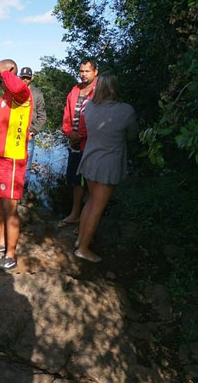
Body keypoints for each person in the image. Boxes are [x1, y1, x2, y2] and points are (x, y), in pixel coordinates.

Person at [74, 73, 138, 262]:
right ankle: (83, 249)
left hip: (89, 161)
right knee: (97, 207)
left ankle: (80, 240)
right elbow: (132, 135)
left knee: (91, 201)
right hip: (107, 165)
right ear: (115, 87)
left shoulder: (90, 107)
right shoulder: (126, 110)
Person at [0, 60, 33, 271]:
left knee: (10, 208)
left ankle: (11, 255)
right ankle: (1, 243)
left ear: (10, 72)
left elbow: (18, 86)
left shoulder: (21, 96)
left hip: (12, 160)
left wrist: (6, 72)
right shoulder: (3, 98)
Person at [58, 59, 99, 228]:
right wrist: (69, 132)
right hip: (75, 144)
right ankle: (75, 214)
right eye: (81, 71)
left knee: (91, 182)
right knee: (76, 181)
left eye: (87, 71)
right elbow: (67, 114)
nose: (83, 75)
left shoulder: (100, 90)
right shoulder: (75, 90)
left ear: (95, 72)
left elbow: (101, 118)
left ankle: (87, 219)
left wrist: (82, 134)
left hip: (92, 144)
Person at [19, 67, 47, 193]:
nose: (25, 80)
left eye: (27, 78)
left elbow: (42, 117)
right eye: (23, 77)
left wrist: (33, 131)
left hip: (29, 134)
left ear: (32, 78)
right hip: (15, 133)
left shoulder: (37, 94)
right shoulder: (16, 91)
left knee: (26, 166)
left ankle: (23, 191)